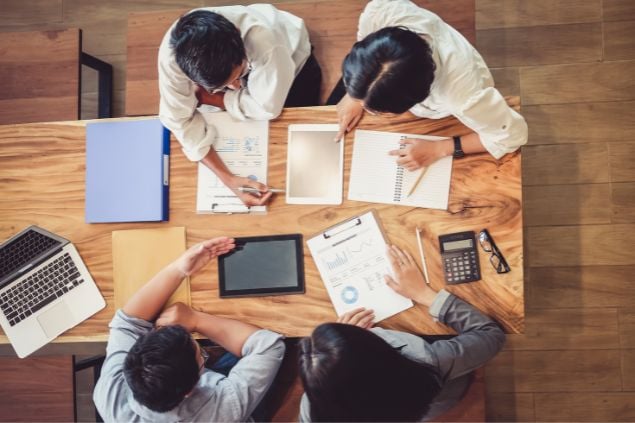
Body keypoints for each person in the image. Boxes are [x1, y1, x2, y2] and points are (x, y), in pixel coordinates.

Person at [298, 244, 506, 421]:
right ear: (375, 347)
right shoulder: (428, 360)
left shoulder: (313, 407)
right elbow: (490, 335)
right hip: (439, 396)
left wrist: (339, 349)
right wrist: (425, 294)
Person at [93, 237, 286, 421]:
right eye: (200, 355)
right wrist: (195, 320)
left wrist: (178, 269)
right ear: (191, 388)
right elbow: (269, 345)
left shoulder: (109, 395)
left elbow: (128, 323)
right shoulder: (223, 410)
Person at [332, 0, 528, 171]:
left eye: (380, 110)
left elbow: (512, 136)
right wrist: (358, 93)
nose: (366, 108)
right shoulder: (382, 13)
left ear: (418, 96)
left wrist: (439, 148)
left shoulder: (463, 97)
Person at [159, 5, 322, 206]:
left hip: (292, 58)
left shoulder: (265, 43)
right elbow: (176, 120)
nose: (235, 88)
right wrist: (228, 179)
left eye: (236, 77)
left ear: (238, 35)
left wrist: (214, 99)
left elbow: (267, 107)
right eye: (222, 87)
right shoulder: (172, 59)